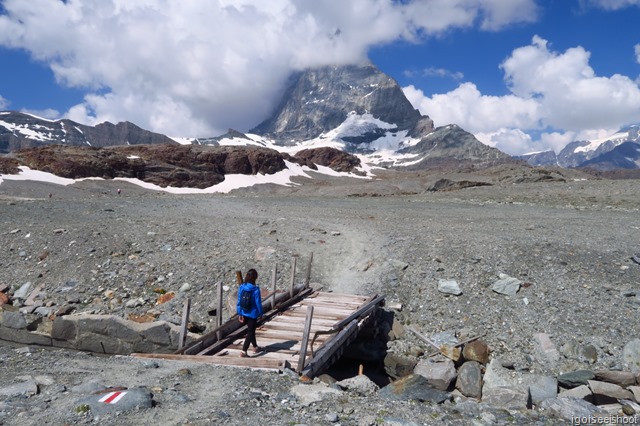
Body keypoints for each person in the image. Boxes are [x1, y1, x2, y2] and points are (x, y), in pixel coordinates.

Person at [236, 268, 264, 357]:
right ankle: (244, 351)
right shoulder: (255, 290)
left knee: (251, 330)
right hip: (252, 314)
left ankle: (255, 347)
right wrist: (261, 313)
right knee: (251, 332)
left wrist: (239, 313)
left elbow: (239, 301)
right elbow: (258, 303)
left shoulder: (242, 287)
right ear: (255, 278)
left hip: (244, 312)